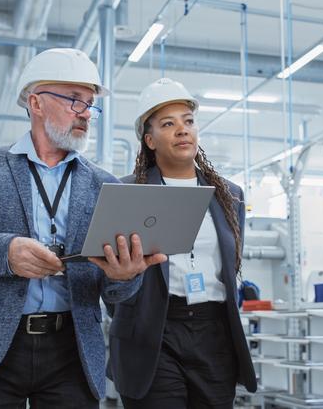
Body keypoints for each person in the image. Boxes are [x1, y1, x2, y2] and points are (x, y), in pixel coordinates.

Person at [0, 48, 166, 409]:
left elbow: (116, 294)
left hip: (72, 350)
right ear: (35, 103)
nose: (86, 114)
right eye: (74, 101)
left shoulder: (104, 185)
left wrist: (124, 276)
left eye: (90, 105)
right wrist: (5, 253)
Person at [107, 78, 257, 408]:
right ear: (149, 140)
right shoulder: (127, 192)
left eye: (188, 121)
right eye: (168, 124)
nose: (182, 130)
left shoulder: (230, 195)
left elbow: (231, 267)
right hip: (152, 333)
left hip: (213, 331)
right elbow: (111, 275)